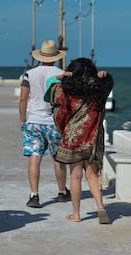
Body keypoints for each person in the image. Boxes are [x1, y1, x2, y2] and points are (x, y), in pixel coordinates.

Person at [45, 58, 114, 224]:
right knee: (92, 175)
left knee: (75, 177)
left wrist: (65, 75)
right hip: (93, 137)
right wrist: (101, 75)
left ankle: (76, 214)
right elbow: (110, 80)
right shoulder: (99, 90)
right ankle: (100, 207)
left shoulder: (64, 90)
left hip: (73, 137)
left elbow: (50, 88)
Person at [19, 39, 70, 208]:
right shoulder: (61, 73)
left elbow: (23, 100)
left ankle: (34, 195)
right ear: (56, 56)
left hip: (34, 121)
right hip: (54, 122)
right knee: (58, 159)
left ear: (40, 56)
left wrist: (22, 121)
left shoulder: (29, 74)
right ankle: (62, 192)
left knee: (35, 158)